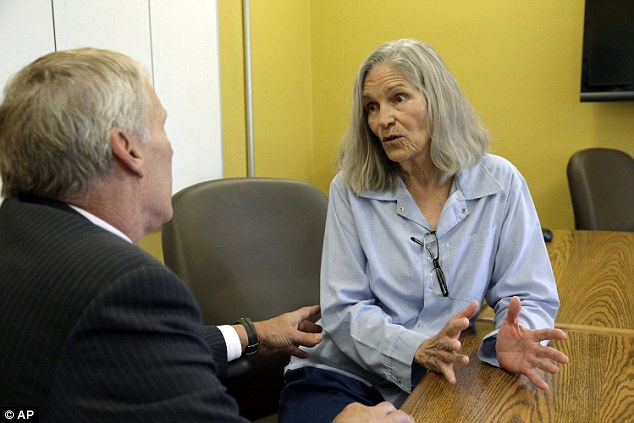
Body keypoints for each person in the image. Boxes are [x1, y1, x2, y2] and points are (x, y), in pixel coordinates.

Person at [0, 48, 414, 423]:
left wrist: (251, 334)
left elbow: (126, 348)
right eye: (161, 126)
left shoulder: (18, 234)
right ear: (128, 150)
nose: (170, 148)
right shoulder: (126, 285)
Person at [279, 39, 569, 423]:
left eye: (398, 98)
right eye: (371, 107)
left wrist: (511, 338)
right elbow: (345, 309)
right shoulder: (350, 188)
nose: (383, 120)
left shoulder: (499, 182)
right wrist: (414, 348)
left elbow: (528, 294)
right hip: (343, 374)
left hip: (443, 375)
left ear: (438, 100)